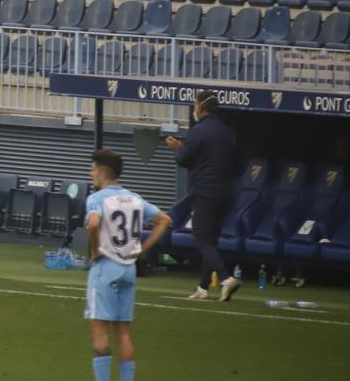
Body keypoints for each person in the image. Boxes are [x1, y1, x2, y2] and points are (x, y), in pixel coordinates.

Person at [84, 148, 172, 381]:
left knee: (100, 332)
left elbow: (93, 224)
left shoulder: (96, 198)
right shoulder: (134, 198)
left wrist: (96, 250)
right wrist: (142, 249)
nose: (91, 174)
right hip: (128, 268)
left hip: (106, 267)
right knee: (123, 333)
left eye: (92, 169)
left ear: (102, 172)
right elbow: (164, 220)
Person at [166, 90, 241, 301]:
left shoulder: (198, 131)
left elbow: (184, 159)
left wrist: (176, 149)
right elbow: (239, 167)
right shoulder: (228, 132)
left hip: (205, 192)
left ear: (200, 107)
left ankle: (226, 278)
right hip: (226, 193)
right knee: (211, 240)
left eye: (194, 105)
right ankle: (203, 287)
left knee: (200, 238)